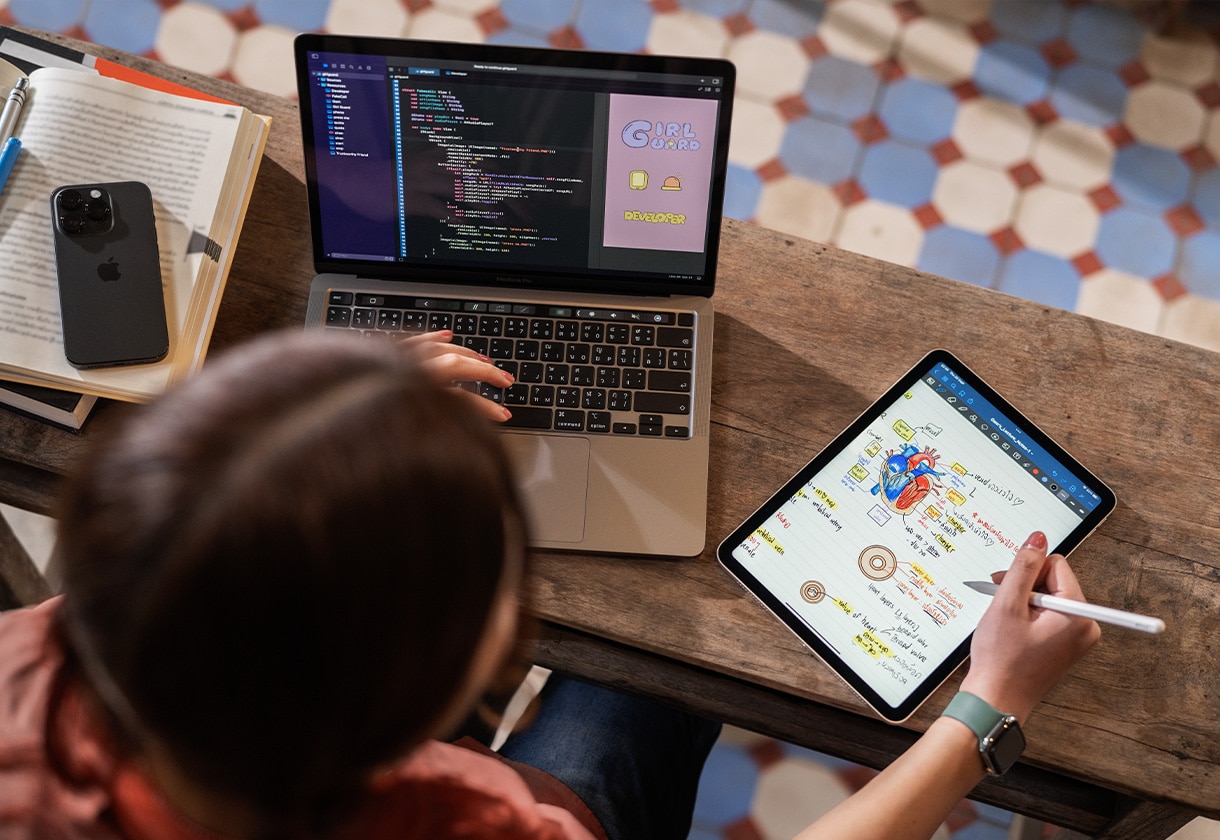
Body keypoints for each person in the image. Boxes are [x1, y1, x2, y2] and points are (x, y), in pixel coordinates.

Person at [0, 329, 1099, 840]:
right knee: (671, 659)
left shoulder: (31, 664)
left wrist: (337, 414)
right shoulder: (474, 828)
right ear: (426, 702)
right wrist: (980, 713)